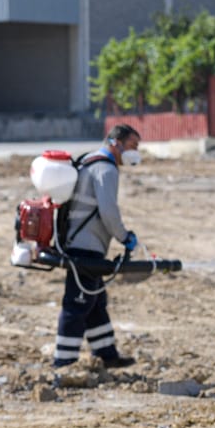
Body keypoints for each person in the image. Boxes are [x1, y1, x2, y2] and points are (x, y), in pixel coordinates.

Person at [53, 124, 142, 370]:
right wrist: (125, 237)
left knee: (95, 303)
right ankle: (63, 362)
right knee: (77, 304)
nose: (135, 152)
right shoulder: (106, 168)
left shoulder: (89, 160)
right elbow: (108, 212)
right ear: (116, 142)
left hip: (81, 242)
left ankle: (107, 355)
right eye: (133, 146)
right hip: (86, 246)